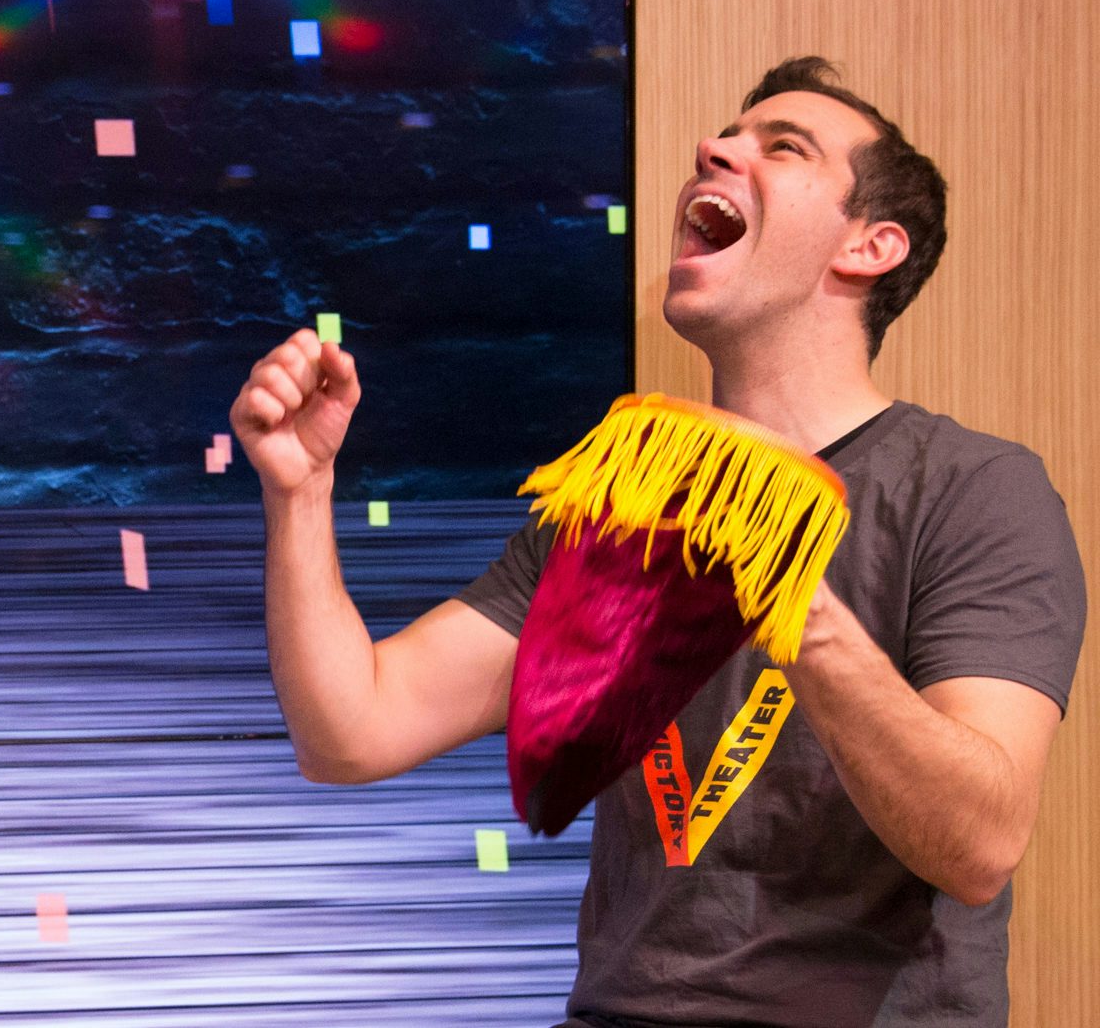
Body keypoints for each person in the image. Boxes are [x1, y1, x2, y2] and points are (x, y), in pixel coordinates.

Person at [231, 58, 1084, 1025]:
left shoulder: (973, 489)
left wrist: (782, 574)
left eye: (784, 147)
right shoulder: (621, 501)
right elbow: (350, 732)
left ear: (871, 244)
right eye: (725, 135)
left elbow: (979, 841)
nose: (713, 149)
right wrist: (300, 493)